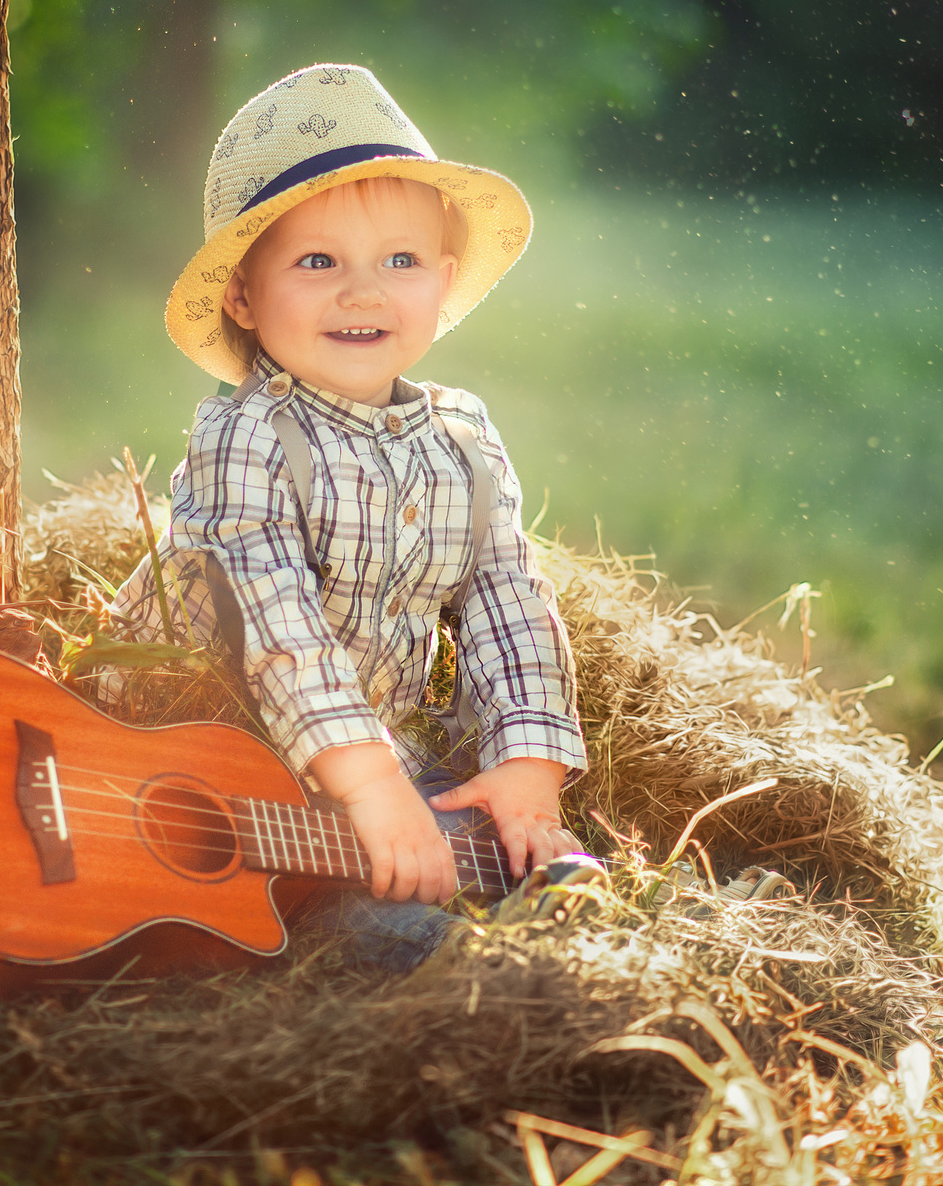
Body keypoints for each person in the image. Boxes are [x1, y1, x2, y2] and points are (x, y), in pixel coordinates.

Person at [110, 62, 598, 969]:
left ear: (442, 282)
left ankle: (533, 899)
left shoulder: (461, 436)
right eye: (318, 261)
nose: (363, 291)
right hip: (209, 746)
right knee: (371, 910)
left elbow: (505, 596)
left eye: (399, 261)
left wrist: (529, 765)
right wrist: (369, 784)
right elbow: (275, 621)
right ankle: (398, 941)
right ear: (245, 296)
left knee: (490, 839)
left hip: (381, 748)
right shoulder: (244, 434)